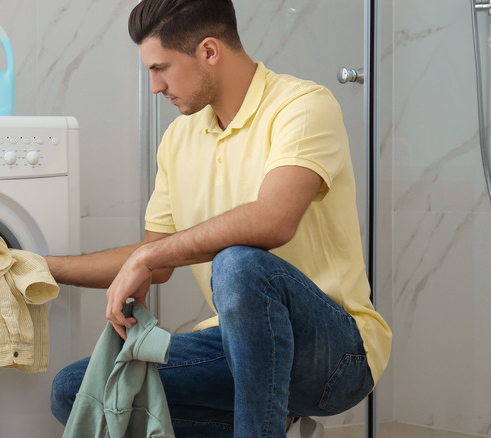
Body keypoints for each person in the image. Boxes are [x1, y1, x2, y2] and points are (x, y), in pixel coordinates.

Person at [48, 0, 392, 437]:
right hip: (235, 345)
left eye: (161, 68)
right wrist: (40, 267)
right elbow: (156, 256)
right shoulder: (179, 138)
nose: (155, 86)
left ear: (209, 51)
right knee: (79, 392)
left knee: (239, 264)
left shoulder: (303, 106)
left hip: (336, 355)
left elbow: (273, 221)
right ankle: (273, 421)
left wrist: (148, 259)